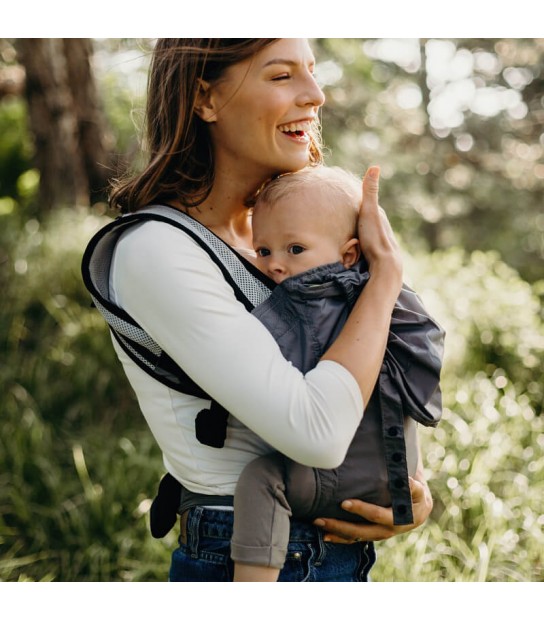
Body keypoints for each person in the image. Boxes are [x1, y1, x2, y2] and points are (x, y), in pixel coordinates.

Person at [82, 38, 434, 582]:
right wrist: (384, 278)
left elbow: (375, 363)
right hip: (245, 554)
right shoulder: (159, 250)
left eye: (312, 72)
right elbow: (316, 432)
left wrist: (398, 483)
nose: (315, 94)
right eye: (281, 76)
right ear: (206, 99)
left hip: (335, 552)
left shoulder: (288, 235)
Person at [228, 165, 444, 581]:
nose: (274, 265)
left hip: (331, 475)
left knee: (261, 479)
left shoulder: (303, 304)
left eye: (294, 249)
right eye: (263, 251)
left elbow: (253, 368)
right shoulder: (388, 299)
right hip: (396, 478)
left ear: (347, 254)